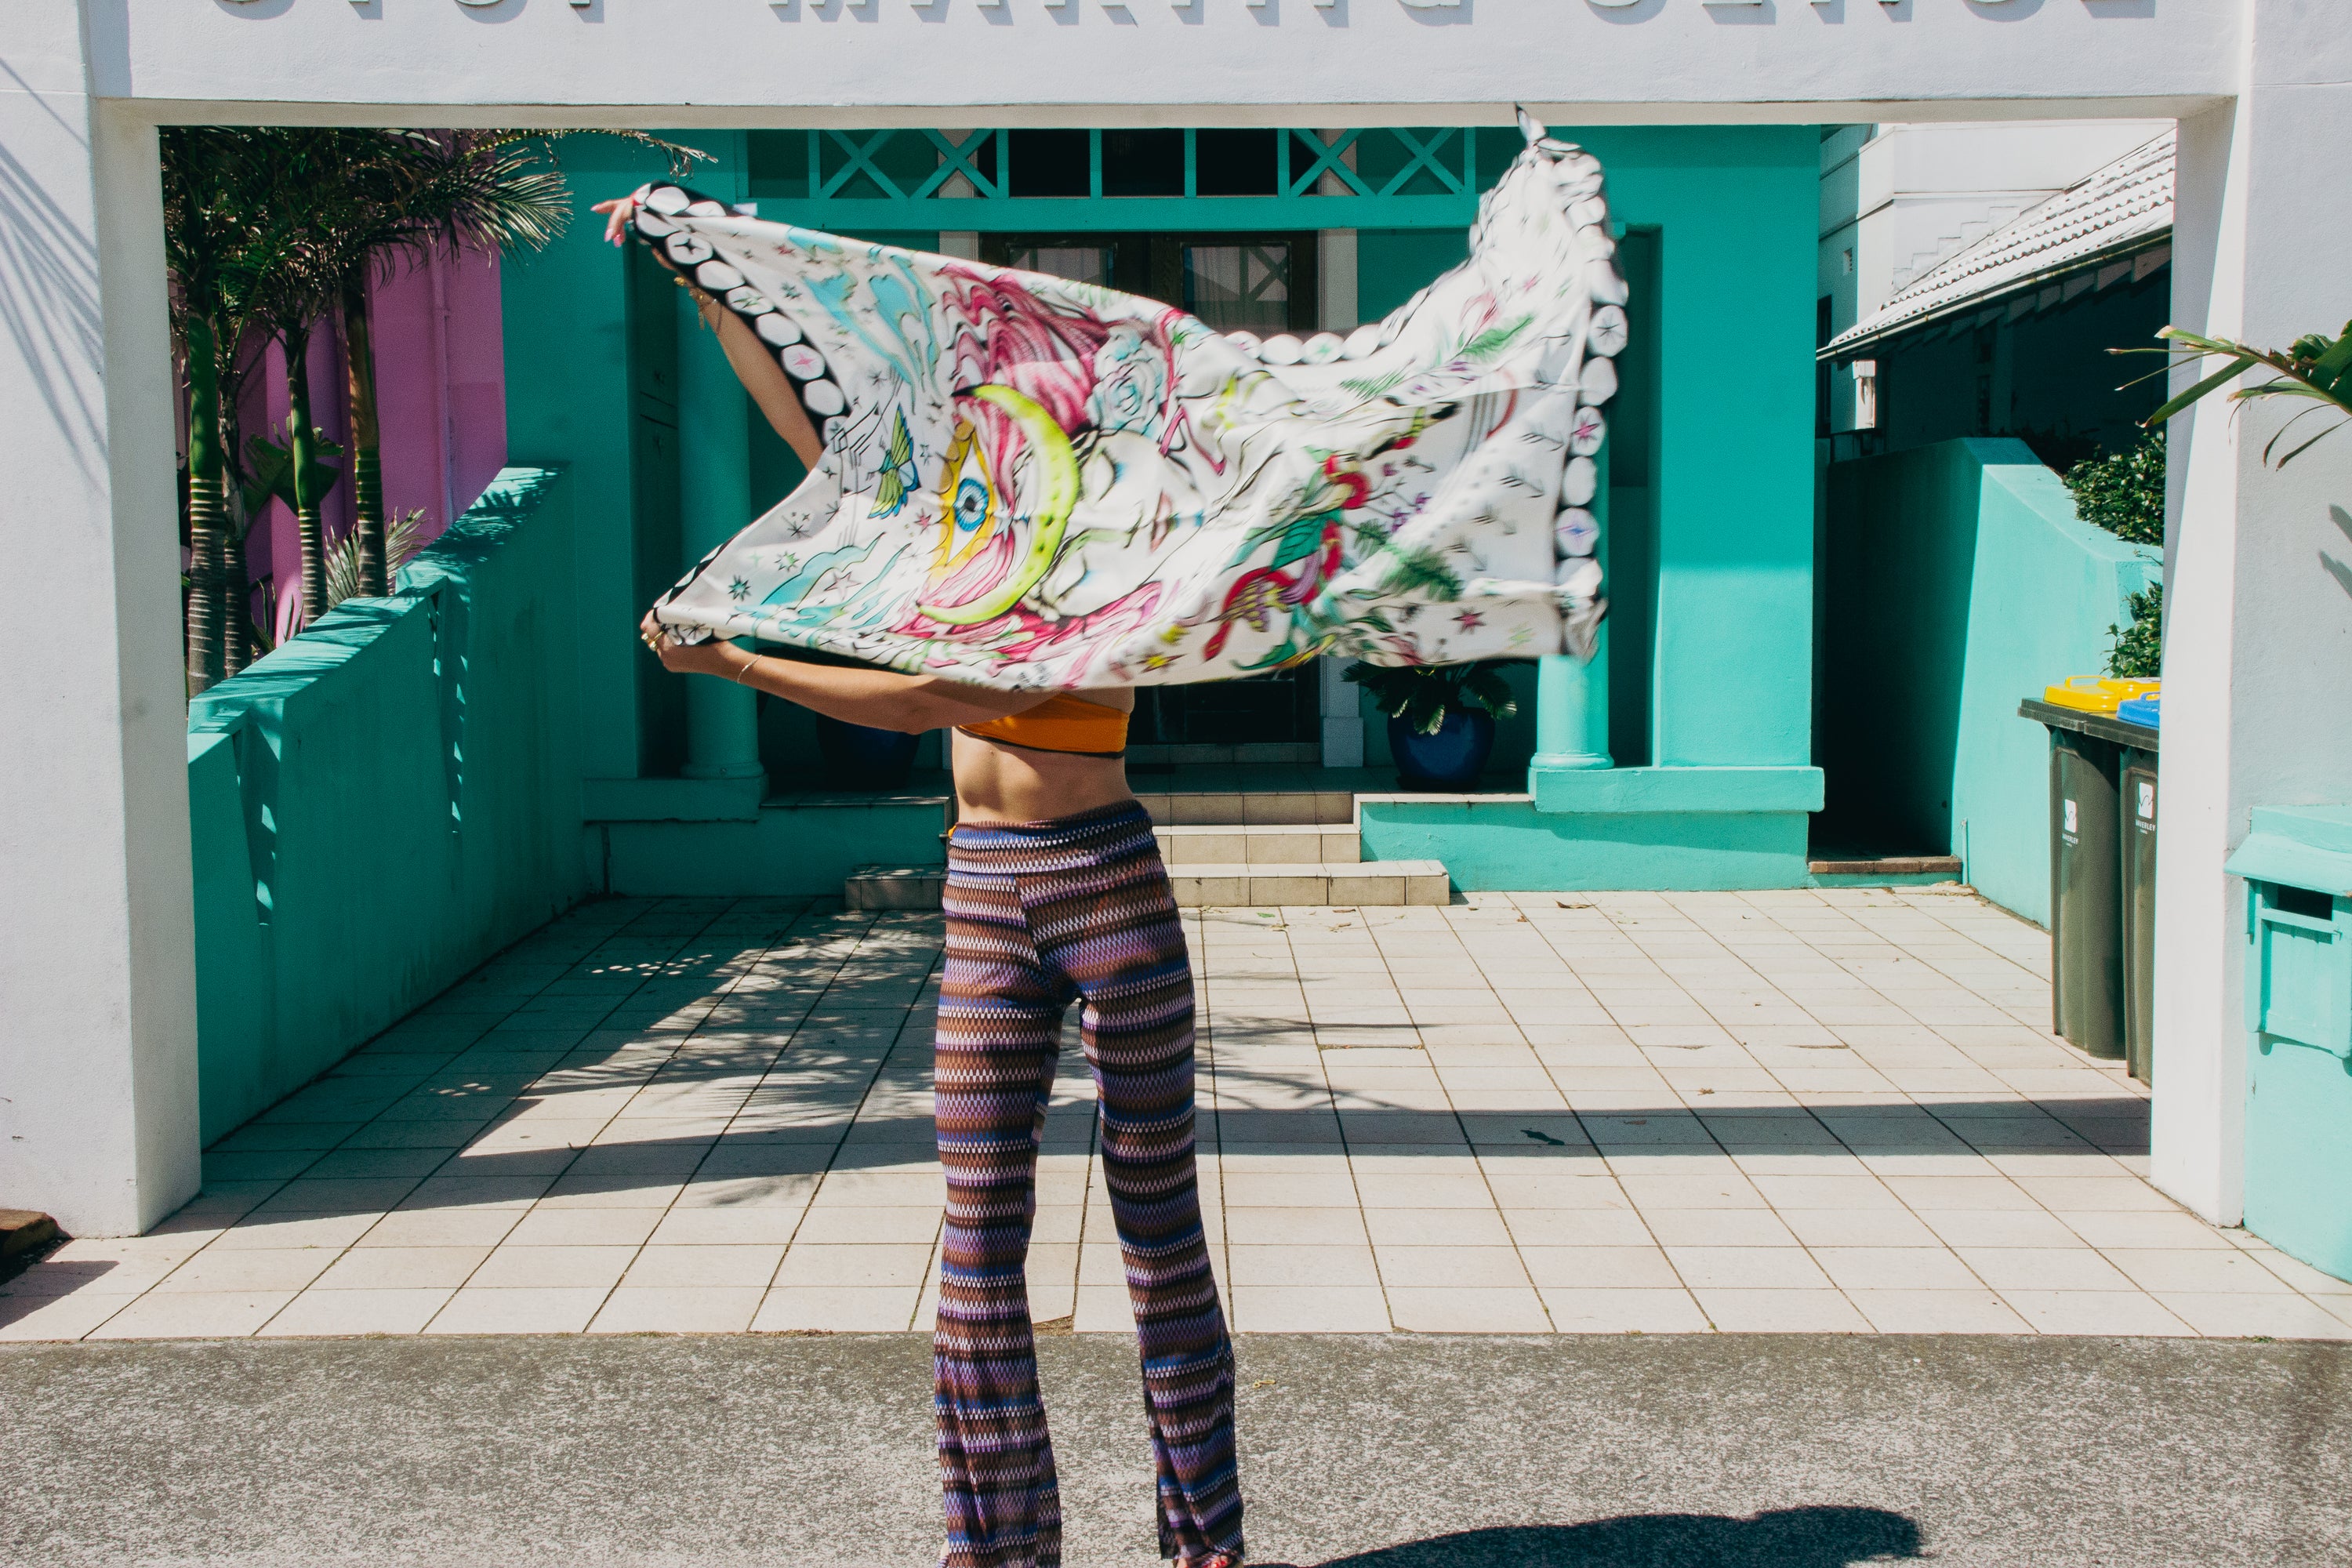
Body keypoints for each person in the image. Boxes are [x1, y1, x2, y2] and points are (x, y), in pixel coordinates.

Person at [597, 194, 1243, 1568]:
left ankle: (1205, 1544)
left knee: (1160, 1233)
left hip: (1107, 888)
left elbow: (931, 701)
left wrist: (732, 660)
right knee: (975, 1239)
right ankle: (1000, 1548)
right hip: (986, 896)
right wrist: (709, 280)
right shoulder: (951, 538)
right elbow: (819, 442)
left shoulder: (1109, 553)